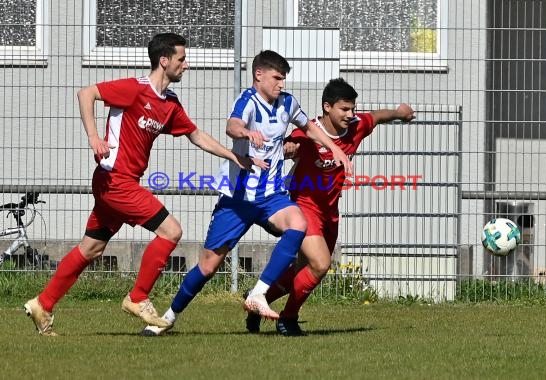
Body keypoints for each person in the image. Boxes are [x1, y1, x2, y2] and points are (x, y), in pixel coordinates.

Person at [24, 32, 263, 336]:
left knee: (92, 247)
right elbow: (86, 93)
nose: (186, 65)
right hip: (115, 181)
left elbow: (196, 135)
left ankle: (43, 304)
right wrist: (94, 137)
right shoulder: (134, 89)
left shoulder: (169, 103)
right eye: (181, 59)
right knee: (172, 230)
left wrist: (233, 155)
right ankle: (138, 298)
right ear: (164, 61)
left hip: (119, 183)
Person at [140, 50, 353, 336]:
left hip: (271, 196)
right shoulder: (247, 101)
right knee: (208, 266)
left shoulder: (288, 103)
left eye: (284, 78)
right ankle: (167, 318)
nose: (281, 84)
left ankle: (258, 294)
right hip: (237, 199)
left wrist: (335, 147)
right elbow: (232, 125)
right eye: (277, 78)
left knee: (298, 223)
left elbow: (309, 127)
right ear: (259, 75)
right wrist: (245, 133)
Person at [246, 78, 416, 336]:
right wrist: (289, 148)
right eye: (344, 109)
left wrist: (400, 112)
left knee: (305, 271)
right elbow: (290, 143)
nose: (351, 114)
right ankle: (287, 319)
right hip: (303, 206)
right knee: (321, 264)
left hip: (329, 211)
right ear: (327, 107)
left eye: (352, 109)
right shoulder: (308, 131)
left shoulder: (356, 127)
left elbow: (377, 116)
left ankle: (258, 301)